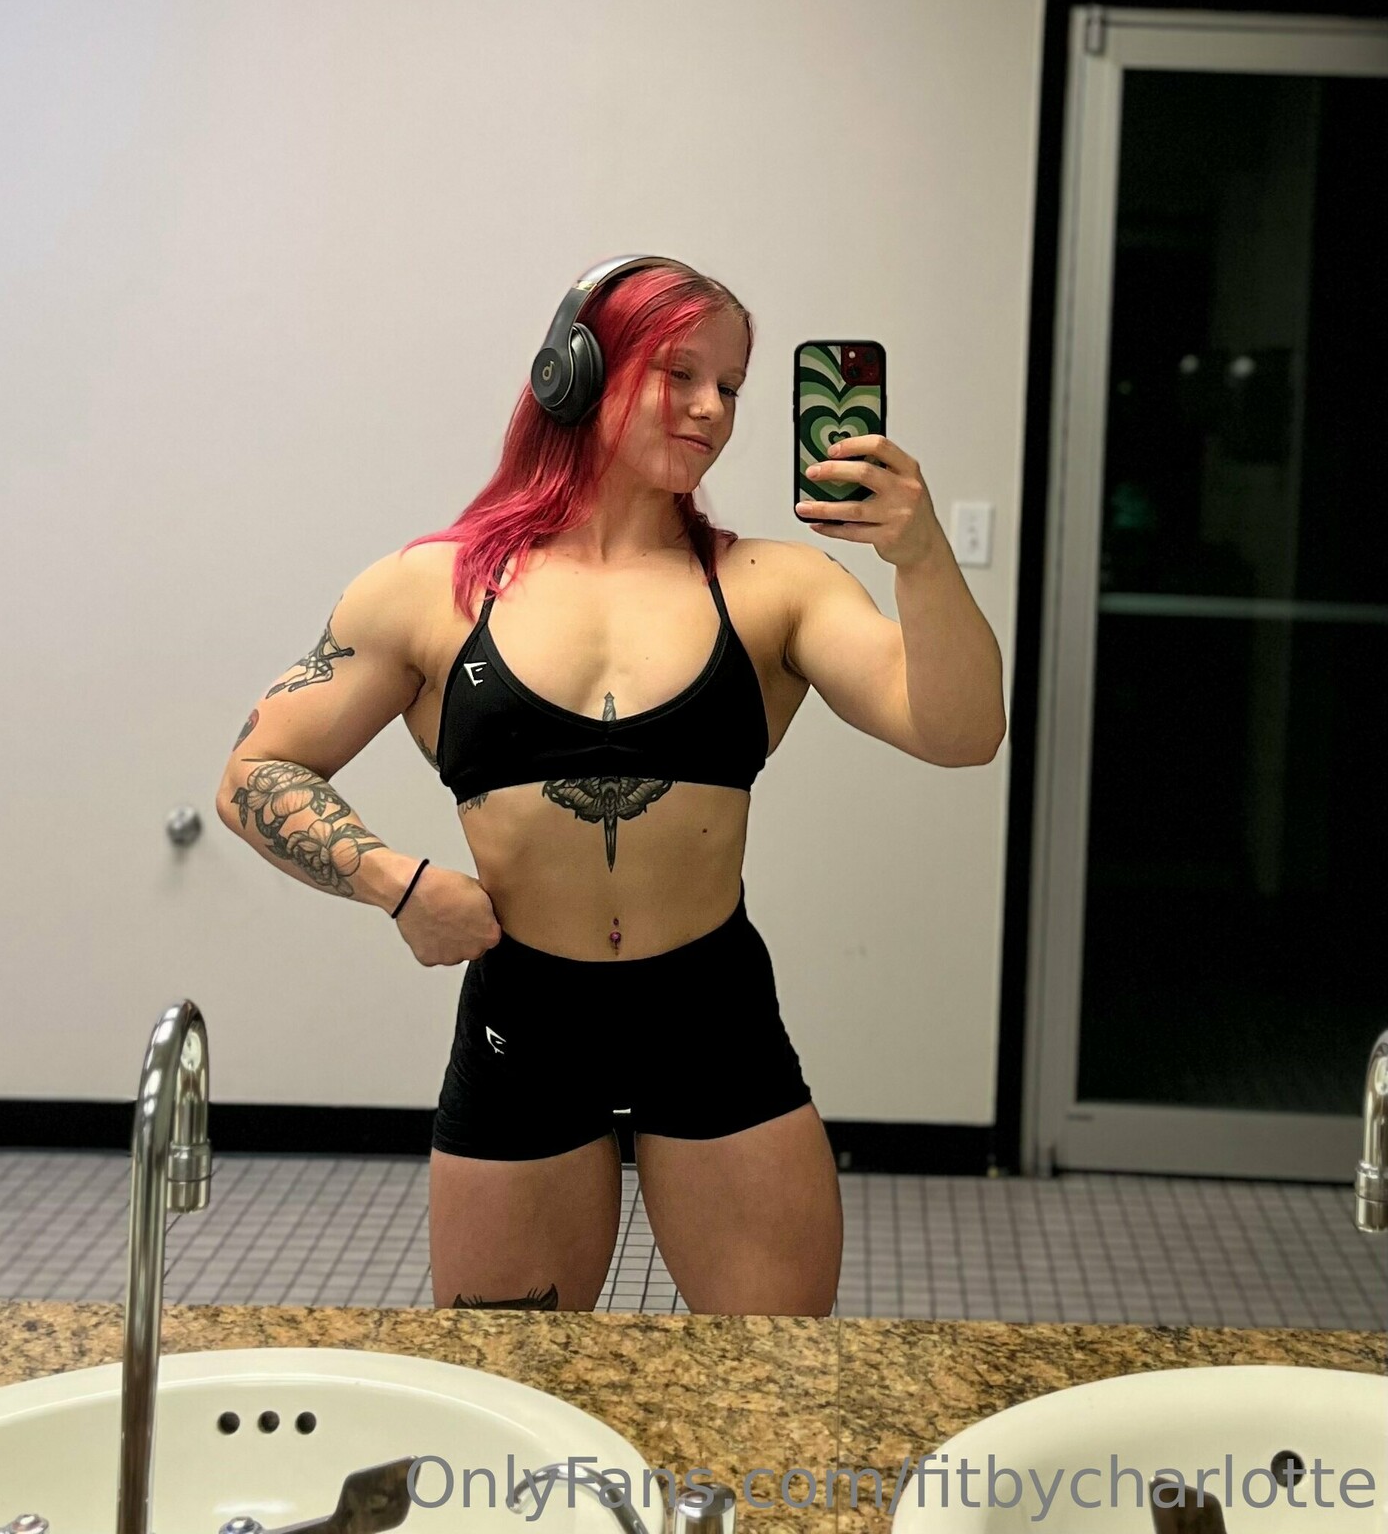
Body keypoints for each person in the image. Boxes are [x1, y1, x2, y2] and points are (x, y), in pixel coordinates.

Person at [218, 259, 1006, 1315]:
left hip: (712, 1017)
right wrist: (393, 883)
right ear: (577, 373)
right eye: (679, 373)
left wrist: (921, 556)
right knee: (511, 1385)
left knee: (774, 1383)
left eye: (731, 385)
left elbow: (962, 734)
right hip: (525, 1023)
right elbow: (255, 771)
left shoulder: (775, 587)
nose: (711, 408)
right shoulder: (432, 589)